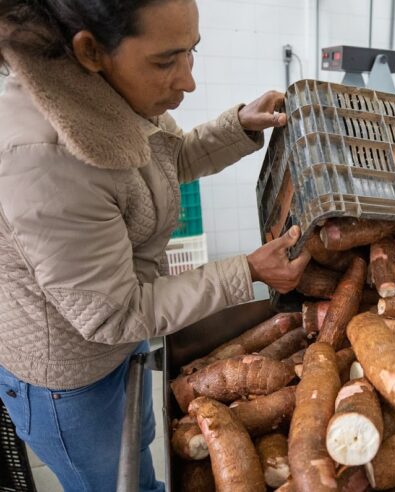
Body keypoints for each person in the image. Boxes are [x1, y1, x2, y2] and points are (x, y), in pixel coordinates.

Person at [0, 1, 310, 490]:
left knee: (142, 455)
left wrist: (238, 127)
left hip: (117, 348)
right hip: (70, 382)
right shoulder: (46, 158)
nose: (188, 80)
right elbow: (112, 314)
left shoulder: (106, 94)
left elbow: (162, 163)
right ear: (90, 50)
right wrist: (245, 271)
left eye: (192, 52)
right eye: (167, 60)